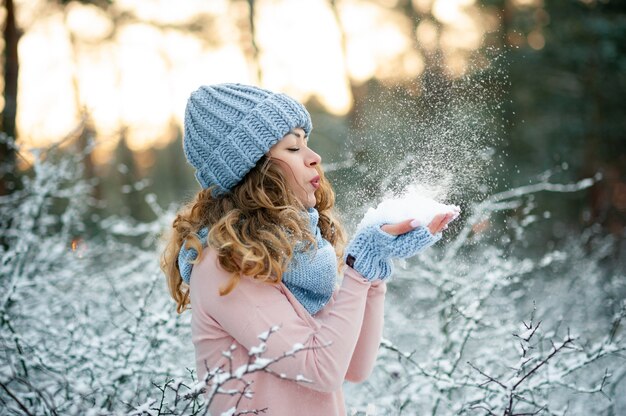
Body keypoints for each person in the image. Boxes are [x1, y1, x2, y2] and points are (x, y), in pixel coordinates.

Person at [161, 83, 455, 415]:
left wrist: (374, 267)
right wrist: (358, 268)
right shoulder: (226, 264)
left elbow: (353, 367)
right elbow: (321, 369)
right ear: (254, 169)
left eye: (307, 143)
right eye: (292, 148)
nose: (314, 158)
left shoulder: (292, 258)